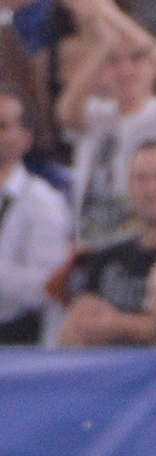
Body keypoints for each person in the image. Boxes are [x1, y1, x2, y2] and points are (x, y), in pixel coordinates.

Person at [55, 0, 156, 247]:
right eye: (114, 63)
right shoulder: (96, 113)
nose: (125, 70)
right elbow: (65, 112)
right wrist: (104, 46)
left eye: (136, 59)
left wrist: (112, 16)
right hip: (92, 246)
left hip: (147, 243)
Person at [58, 141, 156, 346]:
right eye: (141, 178)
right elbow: (76, 324)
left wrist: (116, 324)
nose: (151, 189)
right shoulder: (106, 257)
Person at [0, 84, 72, 346]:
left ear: (26, 137)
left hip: (18, 336)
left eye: (2, 126)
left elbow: (49, 284)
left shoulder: (42, 200)